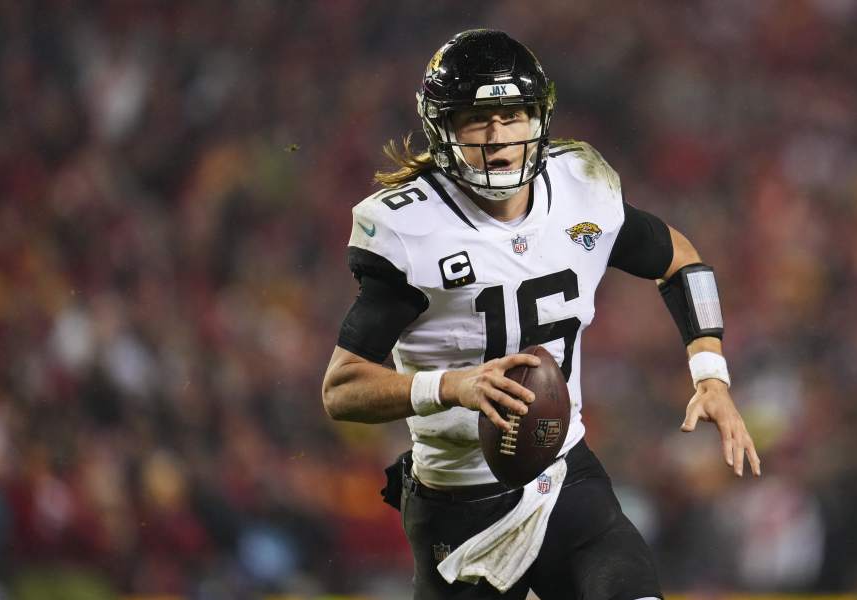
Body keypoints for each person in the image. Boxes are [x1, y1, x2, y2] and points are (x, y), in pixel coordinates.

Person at [322, 29, 761, 600]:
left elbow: (679, 260)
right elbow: (341, 389)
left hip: (565, 478)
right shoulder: (415, 231)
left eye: (512, 114)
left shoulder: (579, 191)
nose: (498, 136)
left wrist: (711, 374)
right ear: (443, 127)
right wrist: (453, 386)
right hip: (459, 507)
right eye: (476, 119)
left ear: (539, 118)